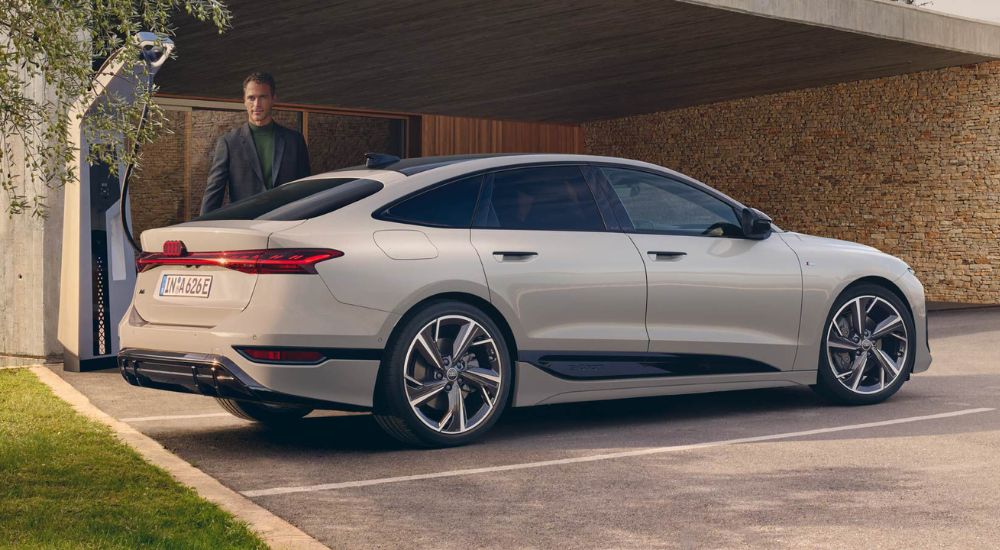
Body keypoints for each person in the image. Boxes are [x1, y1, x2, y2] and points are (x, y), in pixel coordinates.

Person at [200, 72, 310, 214]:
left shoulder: (294, 141)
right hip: (245, 226)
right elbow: (214, 193)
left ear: (273, 99)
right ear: (244, 101)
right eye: (251, 98)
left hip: (285, 223)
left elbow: (305, 190)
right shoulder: (229, 143)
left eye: (262, 97)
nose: (256, 104)